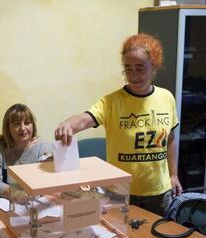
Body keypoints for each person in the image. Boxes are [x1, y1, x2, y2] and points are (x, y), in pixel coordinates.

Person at [54, 33, 182, 216]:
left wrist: (173, 175)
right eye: (127, 68)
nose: (133, 75)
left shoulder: (166, 97)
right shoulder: (112, 102)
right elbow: (83, 119)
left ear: (154, 66)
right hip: (120, 192)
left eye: (140, 68)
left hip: (159, 193)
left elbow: (170, 139)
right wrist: (67, 124)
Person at [0, 103, 53, 200]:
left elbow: (52, 180)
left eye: (27, 123)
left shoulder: (44, 146)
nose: (23, 128)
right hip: (6, 202)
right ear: (8, 128)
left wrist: (50, 167)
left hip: (37, 201)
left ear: (33, 125)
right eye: (17, 124)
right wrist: (16, 194)